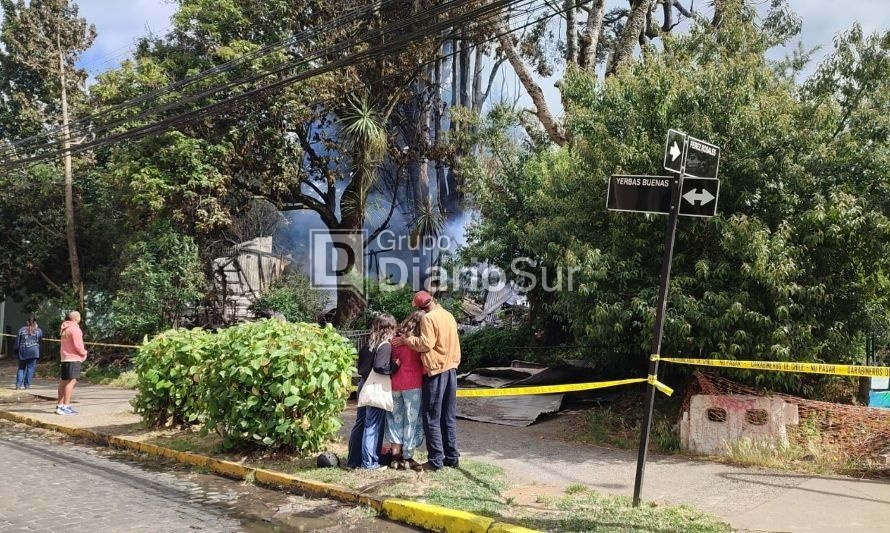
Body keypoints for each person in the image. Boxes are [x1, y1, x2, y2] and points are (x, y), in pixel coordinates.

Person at [392, 291, 461, 472]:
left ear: (421, 308)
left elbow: (425, 344)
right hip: (451, 369)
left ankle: (435, 461)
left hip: (436, 371)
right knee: (448, 416)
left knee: (431, 417)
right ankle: (452, 457)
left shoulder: (428, 319)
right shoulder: (449, 315)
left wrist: (406, 340)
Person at [346, 314, 400, 469]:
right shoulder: (385, 345)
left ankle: (353, 460)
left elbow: (361, 366)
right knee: (373, 425)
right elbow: (380, 367)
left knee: (361, 423)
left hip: (364, 386)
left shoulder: (368, 343)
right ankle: (370, 463)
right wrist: (395, 366)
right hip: (375, 388)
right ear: (389, 328)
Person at [386, 311, 426, 470]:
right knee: (411, 420)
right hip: (413, 384)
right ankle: (408, 456)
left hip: (395, 383)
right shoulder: (416, 342)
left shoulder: (395, 338)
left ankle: (395, 455)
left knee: (394, 418)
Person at [56, 311, 87, 416]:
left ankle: (59, 406)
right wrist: (84, 353)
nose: (80, 318)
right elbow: (78, 345)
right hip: (73, 358)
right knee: (72, 381)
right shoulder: (75, 329)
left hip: (65, 358)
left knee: (63, 381)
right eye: (79, 316)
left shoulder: (64, 328)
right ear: (75, 318)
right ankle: (66, 406)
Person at [14, 316, 42, 390]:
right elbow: (40, 339)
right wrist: (36, 327)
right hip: (34, 352)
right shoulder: (38, 331)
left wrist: (16, 351)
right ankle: (27, 385)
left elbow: (17, 342)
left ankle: (18, 385)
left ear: (27, 322)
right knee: (30, 368)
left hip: (23, 351)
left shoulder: (21, 330)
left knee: (21, 368)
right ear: (35, 322)